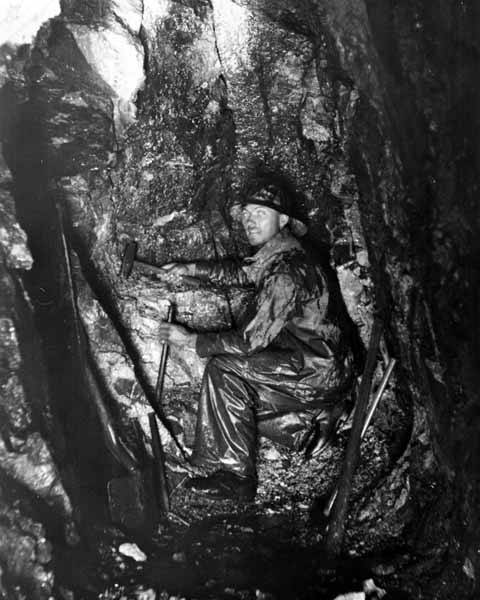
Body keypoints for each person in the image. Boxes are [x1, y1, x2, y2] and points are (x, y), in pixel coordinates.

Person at [158, 182, 354, 501]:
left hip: (314, 371)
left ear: (284, 220)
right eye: (247, 213)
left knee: (224, 372)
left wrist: (192, 340)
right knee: (233, 407)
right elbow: (242, 273)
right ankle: (309, 427)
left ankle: (235, 477)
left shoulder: (287, 272)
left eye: (260, 213)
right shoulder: (281, 254)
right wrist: (189, 268)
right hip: (318, 365)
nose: (250, 220)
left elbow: (251, 342)